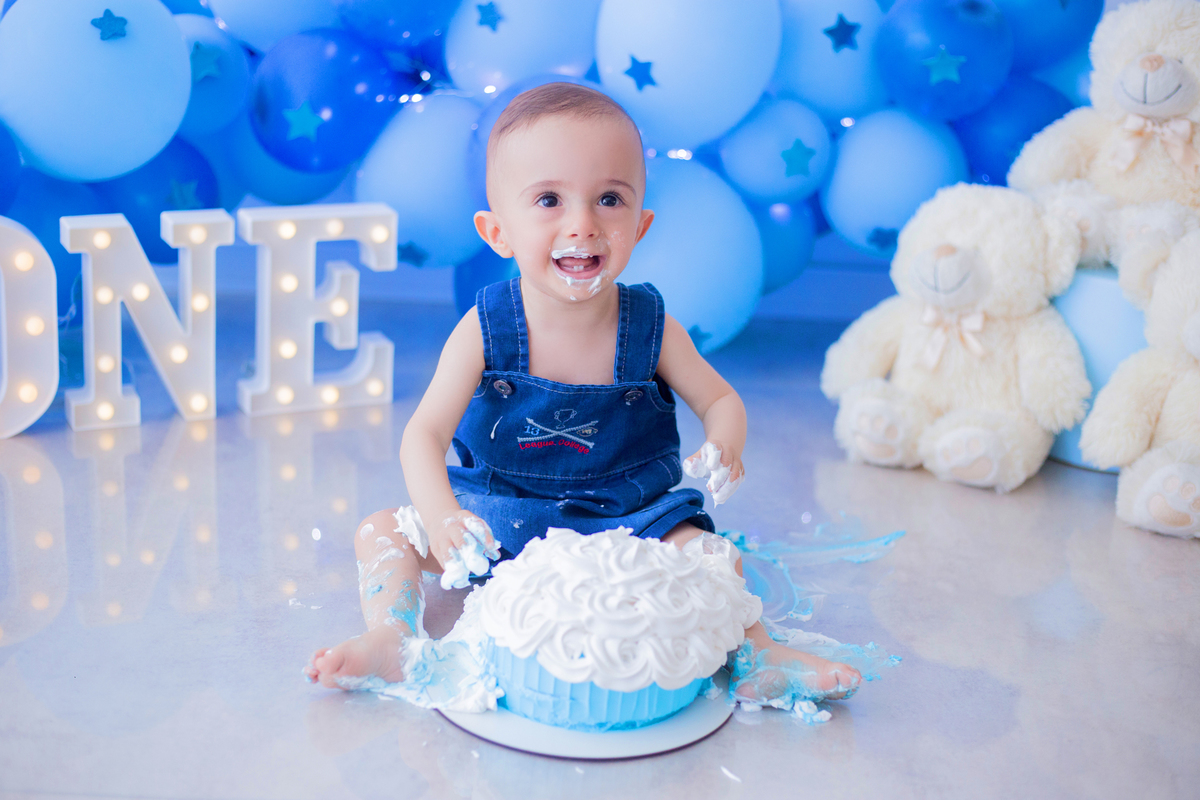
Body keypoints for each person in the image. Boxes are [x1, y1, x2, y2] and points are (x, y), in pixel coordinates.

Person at [305, 83, 861, 705]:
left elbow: (720, 400)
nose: (583, 225)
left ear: (641, 223)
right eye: (548, 199)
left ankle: (756, 655)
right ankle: (392, 640)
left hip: (628, 522)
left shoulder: (649, 325)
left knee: (711, 556)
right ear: (497, 232)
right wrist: (441, 518)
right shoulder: (486, 327)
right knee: (381, 530)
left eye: (609, 199)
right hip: (502, 516)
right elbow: (423, 434)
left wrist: (725, 443)